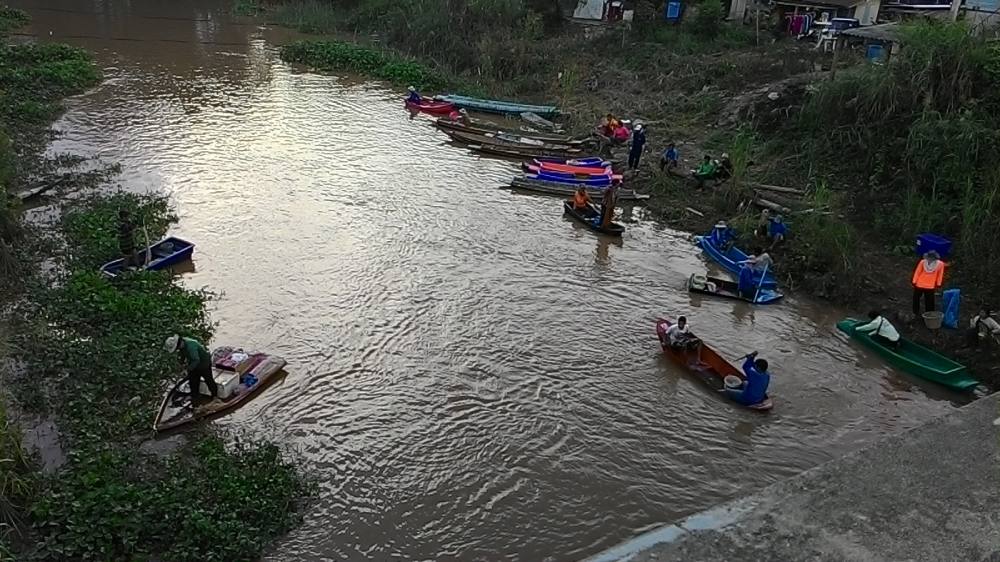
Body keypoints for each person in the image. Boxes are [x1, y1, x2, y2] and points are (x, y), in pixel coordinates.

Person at [164, 334, 218, 403]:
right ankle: (195, 397)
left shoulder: (191, 346)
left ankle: (215, 396)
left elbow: (196, 360)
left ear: (178, 344)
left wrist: (188, 369)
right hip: (193, 363)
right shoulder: (182, 345)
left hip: (203, 363)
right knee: (193, 382)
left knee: (209, 380)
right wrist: (181, 364)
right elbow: (182, 355)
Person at [911, 250, 945, 316]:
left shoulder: (940, 264)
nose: (930, 259)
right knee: (916, 298)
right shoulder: (922, 262)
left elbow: (940, 274)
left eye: (932, 258)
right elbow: (917, 271)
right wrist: (914, 281)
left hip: (930, 285)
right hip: (919, 283)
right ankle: (915, 312)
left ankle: (929, 314)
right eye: (929, 257)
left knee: (929, 301)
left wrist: (938, 283)